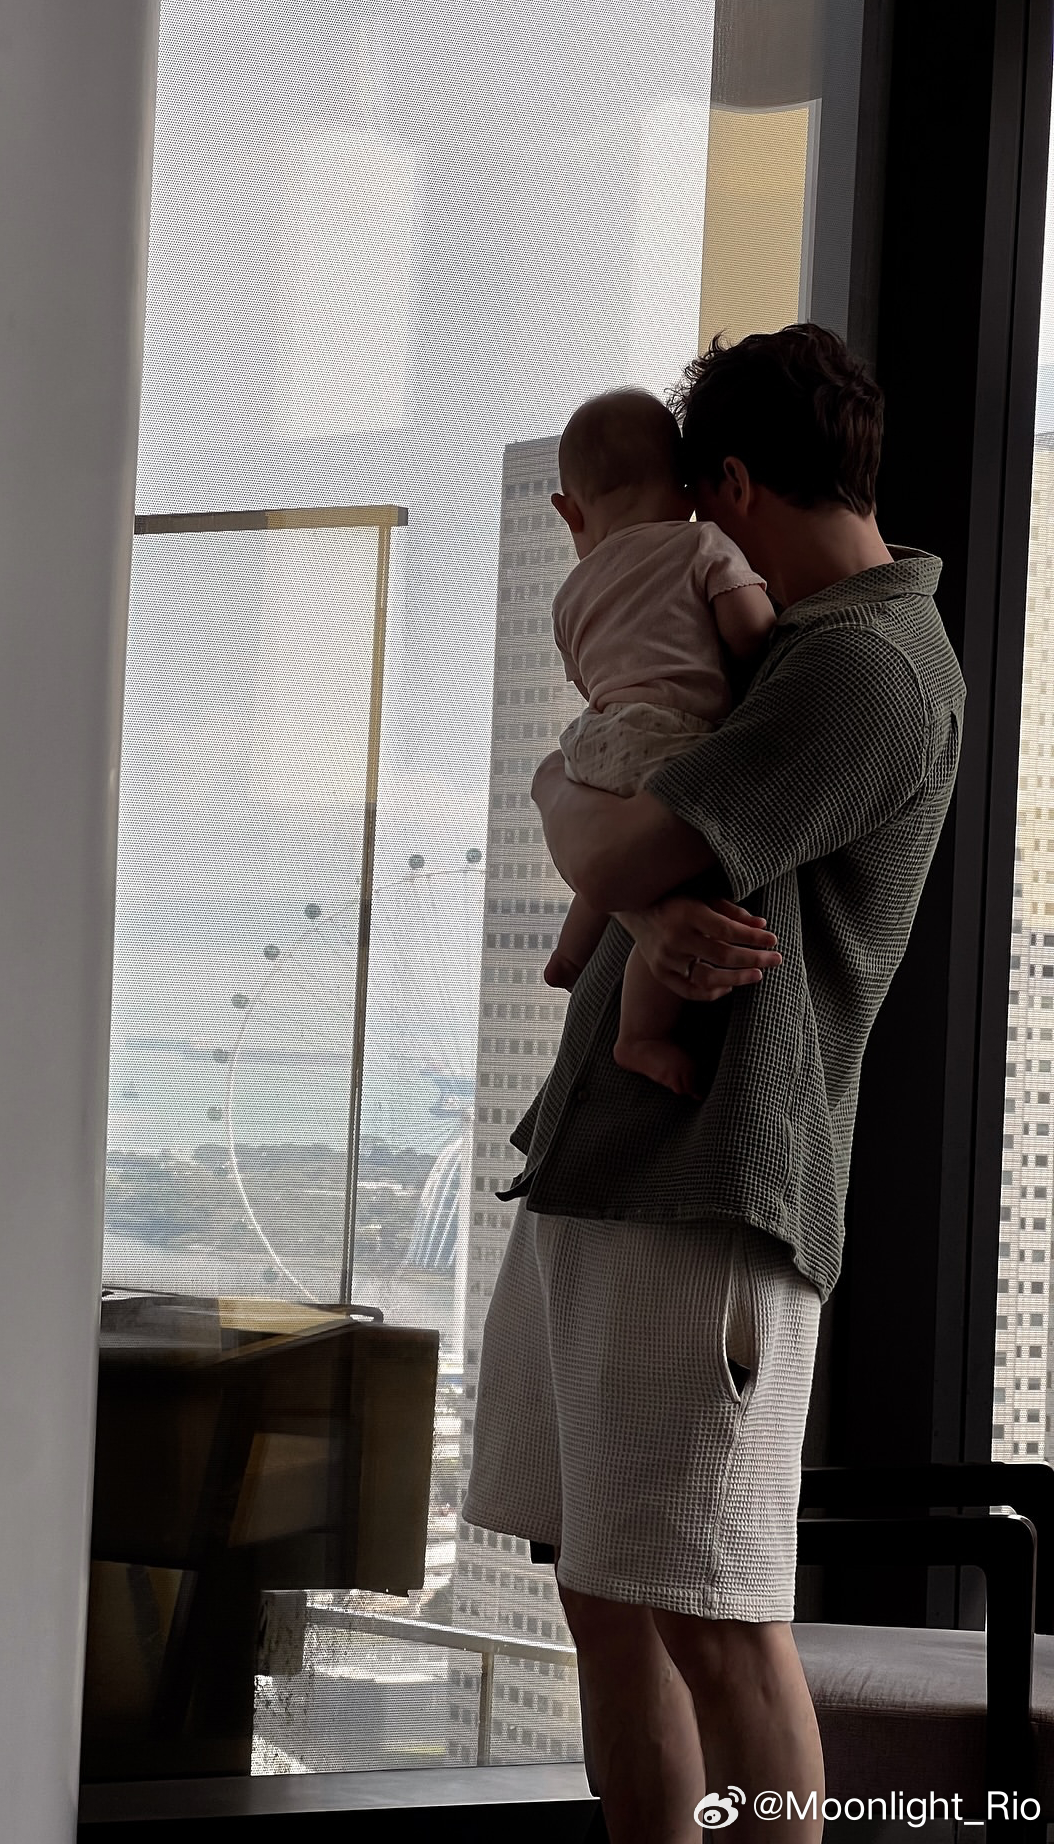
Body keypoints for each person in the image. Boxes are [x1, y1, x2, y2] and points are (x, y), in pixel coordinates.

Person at [462, 322, 964, 1844]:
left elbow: (618, 843)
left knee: (716, 1617)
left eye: (693, 496)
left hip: (711, 1186)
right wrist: (618, 865)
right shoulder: (778, 650)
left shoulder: (859, 667)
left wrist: (560, 785)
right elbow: (642, 857)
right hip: (611, 1162)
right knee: (605, 1595)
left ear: (731, 485)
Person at [545, 387, 777, 1095]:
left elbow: (588, 679)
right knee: (682, 875)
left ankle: (569, 954)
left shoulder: (571, 593)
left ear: (570, 512)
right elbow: (751, 633)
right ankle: (640, 1035)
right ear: (689, 489)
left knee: (605, 847)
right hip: (673, 737)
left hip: (594, 739)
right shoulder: (703, 544)